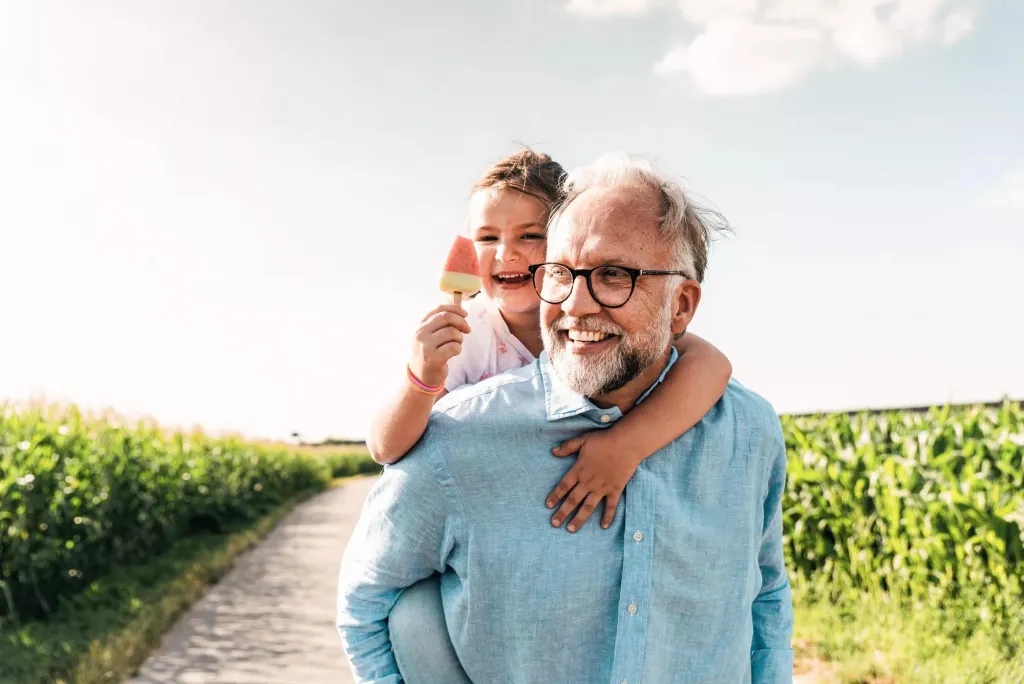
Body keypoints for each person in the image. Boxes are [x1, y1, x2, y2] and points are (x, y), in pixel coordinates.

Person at [338, 153, 794, 683]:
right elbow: (367, 601)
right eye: (562, 273)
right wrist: (421, 377)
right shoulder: (460, 421)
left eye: (614, 275)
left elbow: (765, 597)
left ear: (681, 306)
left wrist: (626, 443)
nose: (577, 304)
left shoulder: (749, 432)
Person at [368, 148, 733, 533]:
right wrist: (421, 377)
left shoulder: (601, 323)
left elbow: (712, 366)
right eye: (487, 237)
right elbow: (385, 447)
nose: (506, 253)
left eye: (530, 235)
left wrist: (627, 445)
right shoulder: (466, 334)